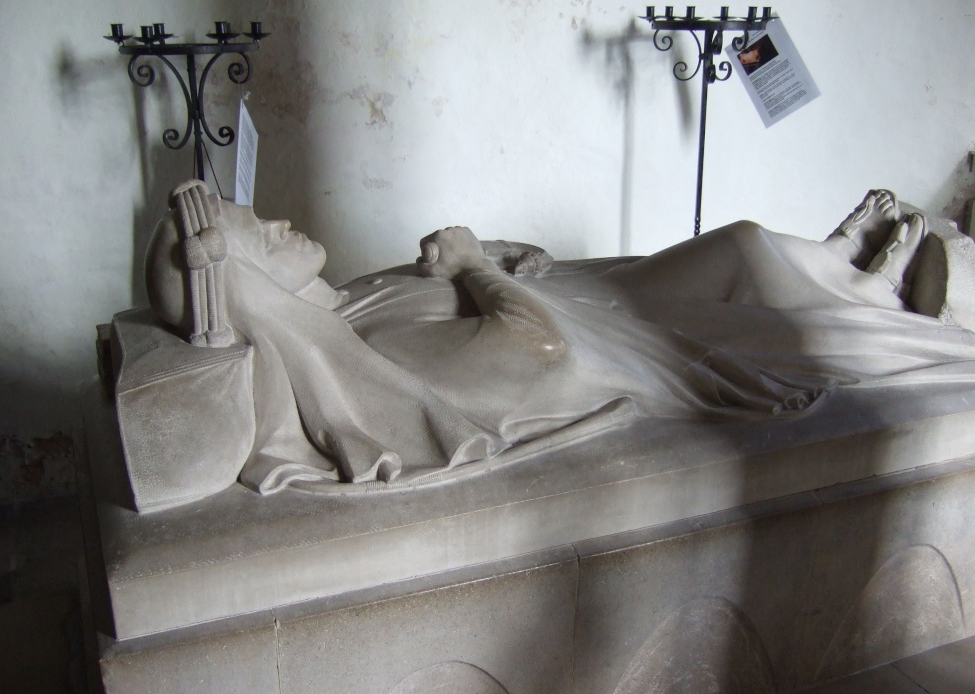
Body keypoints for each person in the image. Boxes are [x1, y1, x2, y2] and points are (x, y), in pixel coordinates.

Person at [144, 182, 975, 491]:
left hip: (591, 299)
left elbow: (441, 292)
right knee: (751, 265)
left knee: (742, 246)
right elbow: (537, 355)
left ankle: (853, 276)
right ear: (246, 282)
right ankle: (879, 301)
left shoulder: (344, 303)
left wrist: (491, 254)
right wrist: (476, 261)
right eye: (257, 231)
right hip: (620, 343)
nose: (277, 218)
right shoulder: (367, 360)